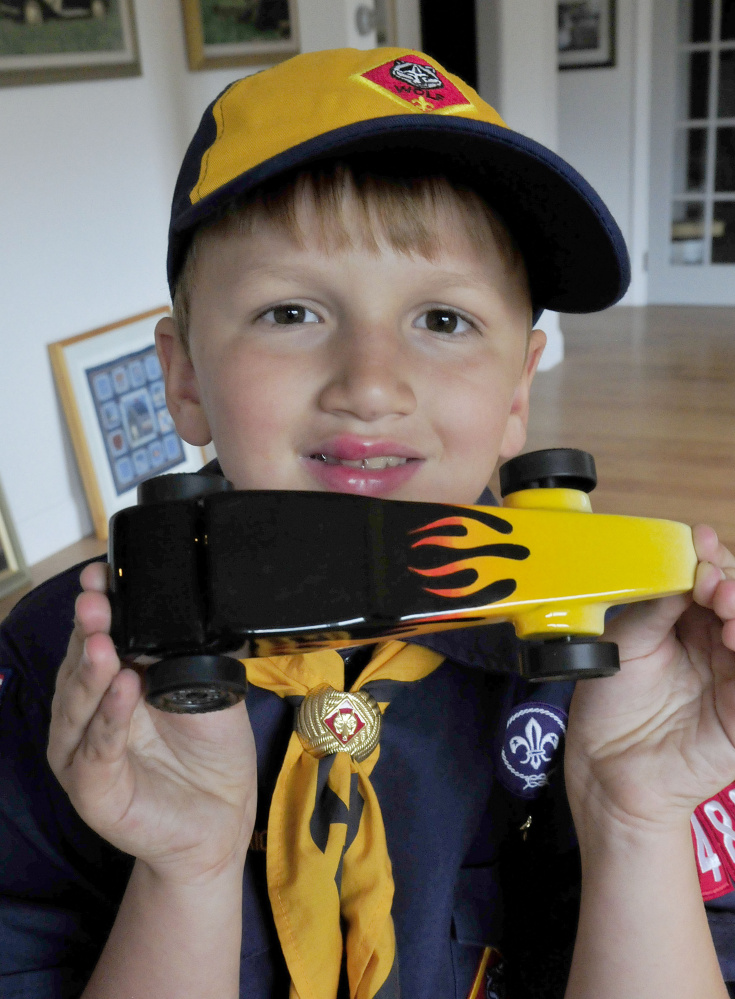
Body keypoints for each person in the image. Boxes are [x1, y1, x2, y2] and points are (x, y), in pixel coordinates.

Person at [1, 46, 735, 999]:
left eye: (442, 321)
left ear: (520, 390)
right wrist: (185, 870)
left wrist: (637, 813)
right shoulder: (66, 667)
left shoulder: (616, 667)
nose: (372, 385)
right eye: (291, 309)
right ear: (183, 379)